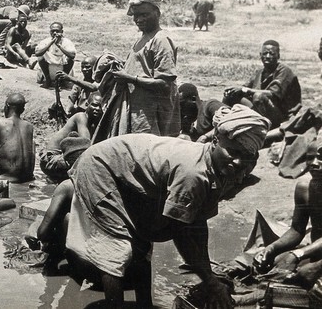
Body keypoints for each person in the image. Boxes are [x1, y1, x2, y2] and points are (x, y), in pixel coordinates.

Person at [61, 104, 270, 308]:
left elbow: (198, 224)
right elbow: (182, 233)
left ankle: (145, 305)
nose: (238, 162)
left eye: (247, 156)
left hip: (131, 175)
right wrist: (211, 282)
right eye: (232, 152)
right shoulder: (193, 173)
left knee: (141, 247)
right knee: (119, 248)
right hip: (102, 167)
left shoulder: (223, 170)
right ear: (215, 141)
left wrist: (208, 274)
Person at [108, 0, 181, 137]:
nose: (138, 19)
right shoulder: (144, 37)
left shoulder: (161, 40)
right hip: (137, 107)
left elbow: (164, 84)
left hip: (150, 111)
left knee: (147, 149)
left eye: (144, 14)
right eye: (136, 15)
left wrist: (129, 78)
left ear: (157, 13)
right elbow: (141, 66)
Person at [253, 156, 322, 291]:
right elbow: (296, 230)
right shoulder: (305, 188)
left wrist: (300, 255)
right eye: (311, 156)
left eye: (321, 158)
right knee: (272, 268)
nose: (314, 163)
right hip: (316, 253)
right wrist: (272, 248)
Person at [224, 40, 301, 129]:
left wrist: (245, 90)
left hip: (281, 116)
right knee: (230, 95)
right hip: (261, 110)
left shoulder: (284, 71)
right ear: (260, 55)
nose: (267, 56)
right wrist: (234, 90)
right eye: (265, 53)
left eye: (272, 54)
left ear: (278, 56)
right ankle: (220, 124)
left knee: (258, 96)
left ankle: (263, 129)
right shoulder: (260, 72)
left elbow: (273, 94)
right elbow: (245, 87)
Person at [40, 93, 103, 182]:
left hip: (58, 160)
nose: (98, 109)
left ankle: (56, 179)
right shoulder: (81, 117)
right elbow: (86, 145)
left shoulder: (92, 122)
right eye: (94, 105)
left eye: (100, 106)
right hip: (50, 160)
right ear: (86, 105)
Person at [0, 93, 35, 183]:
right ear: (22, 109)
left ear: (7, 106)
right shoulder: (29, 126)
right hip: (28, 178)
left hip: (7, 178)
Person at [35, 22, 76, 88]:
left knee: (70, 59)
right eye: (52, 31)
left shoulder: (66, 42)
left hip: (62, 64)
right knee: (41, 57)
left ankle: (62, 81)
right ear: (50, 31)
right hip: (49, 64)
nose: (54, 33)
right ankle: (48, 80)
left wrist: (59, 45)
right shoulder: (46, 41)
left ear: (62, 32)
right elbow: (37, 53)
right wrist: (51, 42)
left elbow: (72, 56)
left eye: (57, 31)